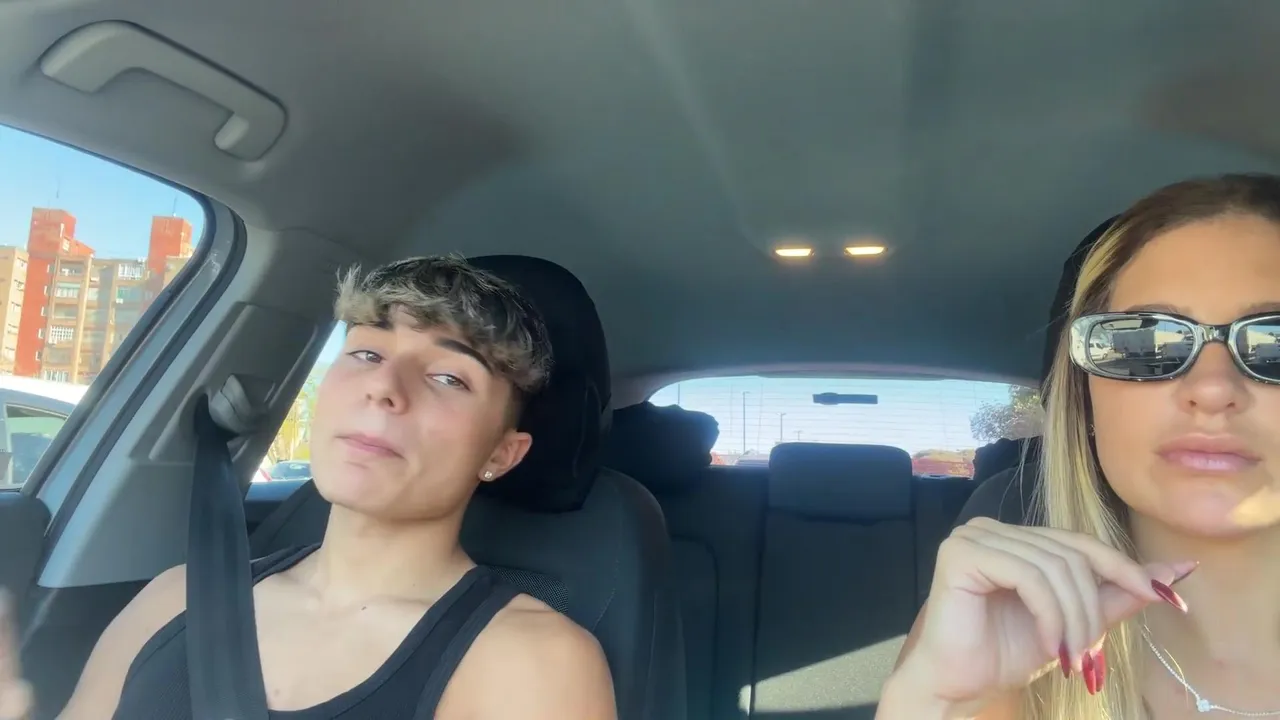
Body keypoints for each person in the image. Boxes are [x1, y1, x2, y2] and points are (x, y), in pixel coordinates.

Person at [0, 256, 617, 719]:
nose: (383, 387)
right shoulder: (177, 597)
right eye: (368, 354)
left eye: (450, 377)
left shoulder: (533, 663)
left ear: (501, 454)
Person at [881, 173, 1280, 719]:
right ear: (1086, 400)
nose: (1212, 388)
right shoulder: (988, 636)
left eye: (1274, 342)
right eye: (1142, 343)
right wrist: (940, 706)